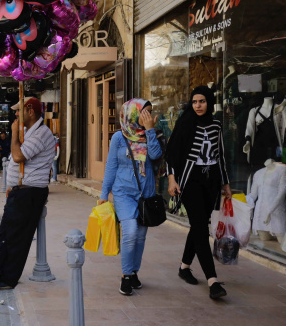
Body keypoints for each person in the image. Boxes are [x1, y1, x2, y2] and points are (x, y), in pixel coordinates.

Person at [0, 97, 55, 290]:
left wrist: (15, 133)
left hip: (30, 192)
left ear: (30, 111)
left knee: (16, 236)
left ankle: (5, 277)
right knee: (8, 233)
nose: (15, 114)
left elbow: (17, 156)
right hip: (21, 190)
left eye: (19, 111)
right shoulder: (30, 133)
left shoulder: (41, 134)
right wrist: (11, 184)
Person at [165, 85, 232, 300]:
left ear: (209, 102)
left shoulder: (216, 124)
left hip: (210, 181)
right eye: (194, 102)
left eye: (202, 101)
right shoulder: (185, 123)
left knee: (199, 225)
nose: (198, 106)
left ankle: (184, 267)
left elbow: (220, 155)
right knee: (201, 228)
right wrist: (172, 180)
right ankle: (212, 281)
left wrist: (225, 184)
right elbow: (171, 154)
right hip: (189, 181)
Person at [98, 99, 163, 296]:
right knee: (130, 231)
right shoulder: (119, 137)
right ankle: (126, 275)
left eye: (150, 113)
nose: (148, 117)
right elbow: (111, 166)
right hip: (123, 192)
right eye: (145, 113)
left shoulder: (153, 134)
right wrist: (103, 194)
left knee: (141, 236)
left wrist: (150, 130)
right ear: (133, 115)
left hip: (146, 193)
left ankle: (134, 272)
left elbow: (155, 155)